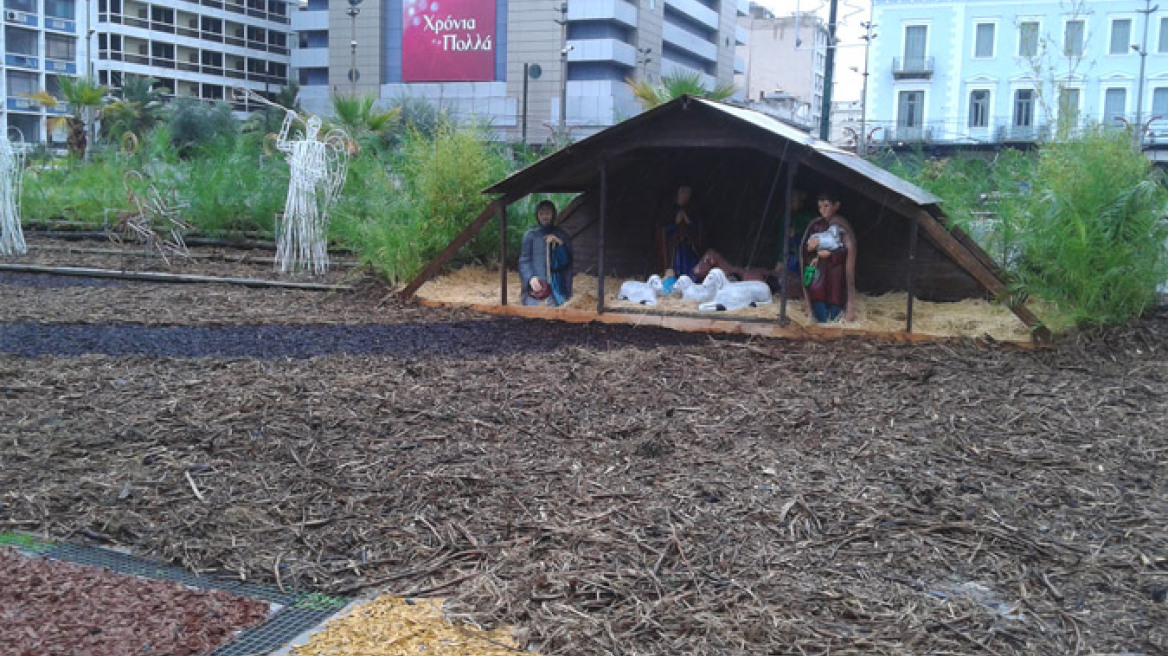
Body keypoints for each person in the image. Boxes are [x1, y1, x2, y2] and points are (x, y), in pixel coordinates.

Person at [801, 192, 857, 323]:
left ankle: (833, 317)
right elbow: (805, 249)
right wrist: (810, 249)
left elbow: (847, 250)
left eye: (826, 206)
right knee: (817, 294)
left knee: (835, 296)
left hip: (835, 272)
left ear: (836, 206)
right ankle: (821, 319)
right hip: (819, 272)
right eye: (820, 207)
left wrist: (832, 254)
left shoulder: (841, 225)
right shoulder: (815, 226)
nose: (823, 210)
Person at [518, 200, 574, 306]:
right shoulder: (530, 236)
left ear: (553, 215)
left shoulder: (561, 235)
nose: (545, 217)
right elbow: (524, 261)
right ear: (537, 215)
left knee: (556, 308)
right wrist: (530, 277)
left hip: (556, 288)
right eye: (541, 214)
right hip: (536, 287)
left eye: (547, 213)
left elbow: (565, 263)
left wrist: (559, 243)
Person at [657, 185, 704, 279]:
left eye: (688, 192)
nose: (686, 195)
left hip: (689, 243)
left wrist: (688, 222)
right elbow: (662, 228)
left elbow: (698, 228)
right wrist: (675, 223)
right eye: (683, 191)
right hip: (673, 245)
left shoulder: (693, 209)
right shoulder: (669, 209)